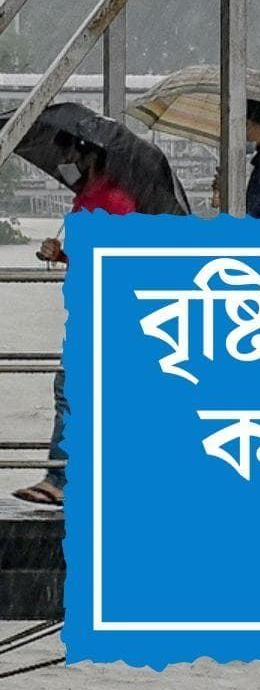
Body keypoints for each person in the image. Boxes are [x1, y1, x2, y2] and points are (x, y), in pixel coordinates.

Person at [12, 135, 136, 507]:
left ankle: (61, 477)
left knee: (70, 390)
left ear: (90, 155)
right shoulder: (87, 197)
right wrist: (61, 253)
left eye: (73, 152)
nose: (68, 158)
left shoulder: (114, 200)